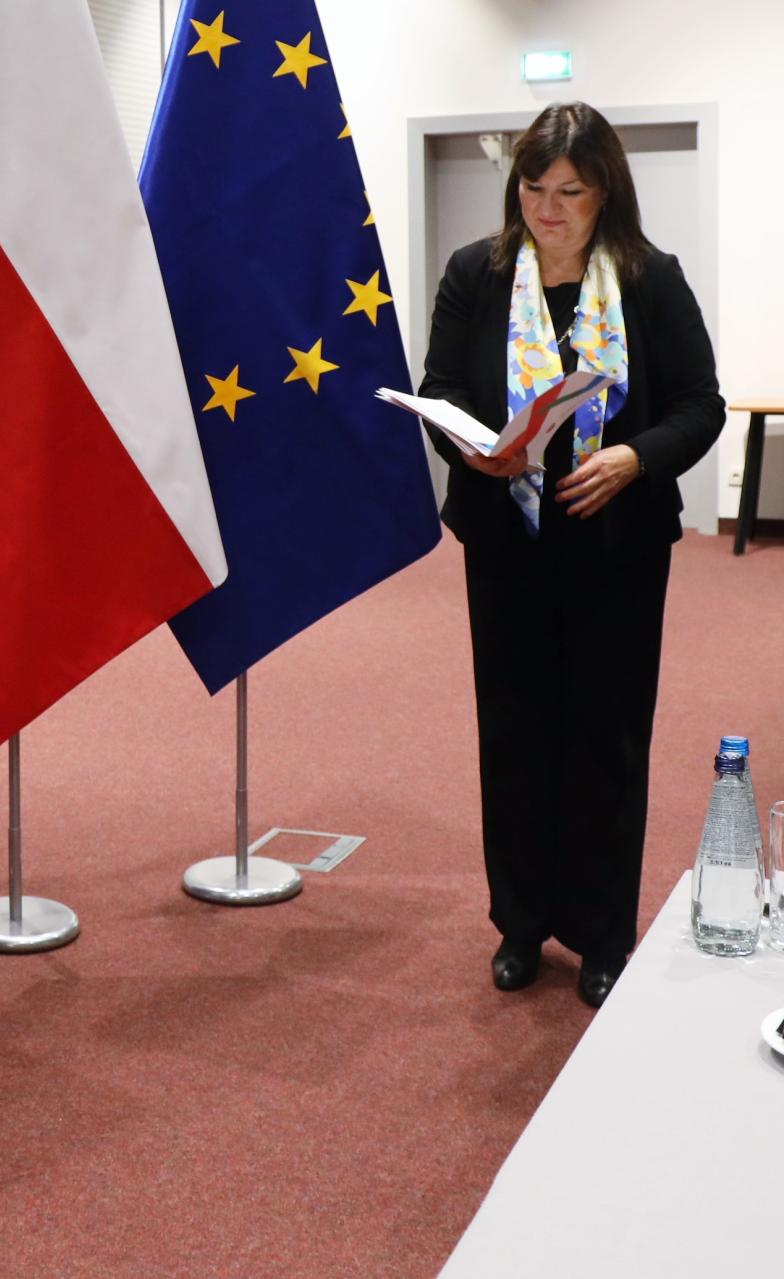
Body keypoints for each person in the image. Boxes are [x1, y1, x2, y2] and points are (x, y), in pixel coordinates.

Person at [419, 101, 722, 1009]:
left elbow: (700, 404)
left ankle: (601, 933)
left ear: (605, 194)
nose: (547, 209)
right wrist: (475, 448)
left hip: (615, 545)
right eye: (533, 187)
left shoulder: (649, 278)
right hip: (506, 538)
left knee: (606, 735)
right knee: (514, 729)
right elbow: (440, 386)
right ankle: (520, 923)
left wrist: (636, 457)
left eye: (570, 192)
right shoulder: (476, 273)